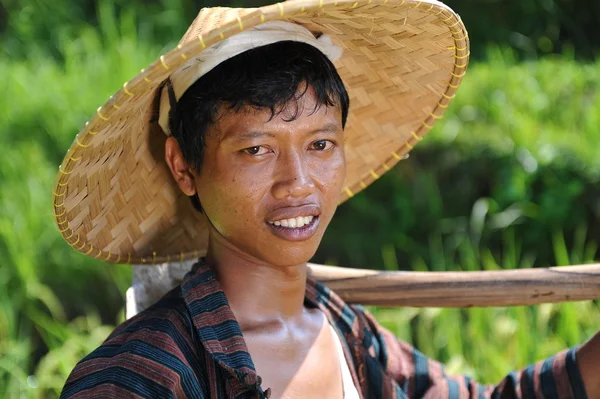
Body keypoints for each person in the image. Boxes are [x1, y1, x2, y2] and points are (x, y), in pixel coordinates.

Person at [54, 1, 599, 398]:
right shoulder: (140, 378)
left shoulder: (346, 335)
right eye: (256, 150)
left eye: (319, 144)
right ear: (184, 166)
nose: (298, 183)